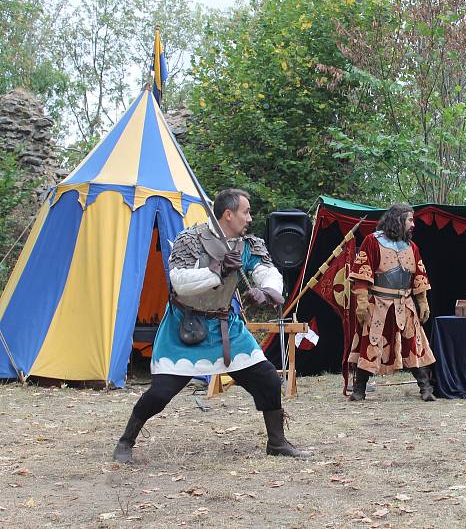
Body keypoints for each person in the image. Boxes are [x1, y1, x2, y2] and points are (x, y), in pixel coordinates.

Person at [112, 189, 310, 463]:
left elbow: (269, 273)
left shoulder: (248, 245)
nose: (250, 218)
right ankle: (125, 441)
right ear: (228, 214)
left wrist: (265, 292)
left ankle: (276, 442)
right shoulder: (190, 240)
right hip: (185, 327)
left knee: (266, 379)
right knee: (160, 393)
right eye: (246, 212)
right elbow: (179, 281)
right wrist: (217, 271)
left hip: (226, 327)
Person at [347, 203, 436, 401]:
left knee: (413, 343)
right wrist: (362, 302)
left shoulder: (412, 247)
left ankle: (425, 388)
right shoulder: (372, 241)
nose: (413, 224)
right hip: (378, 304)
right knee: (371, 343)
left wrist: (422, 301)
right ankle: (359, 389)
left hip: (405, 304)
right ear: (398, 220)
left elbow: (419, 275)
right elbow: (362, 274)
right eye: (410, 220)